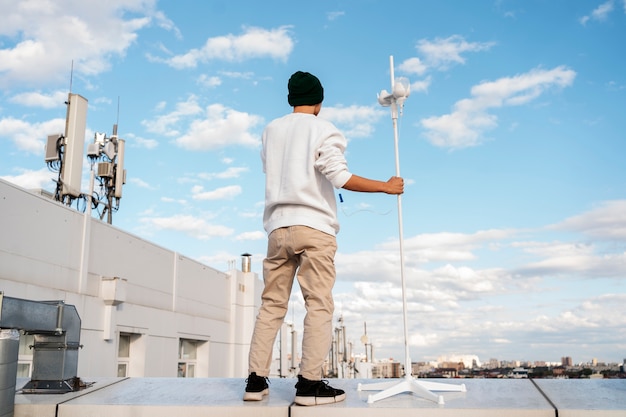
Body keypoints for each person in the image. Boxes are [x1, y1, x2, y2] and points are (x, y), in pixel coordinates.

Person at [244, 71, 404, 406]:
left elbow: (272, 171)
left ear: (290, 99)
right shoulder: (324, 128)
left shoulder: (271, 131)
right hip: (314, 227)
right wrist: (386, 187)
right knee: (318, 305)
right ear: (319, 101)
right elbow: (339, 176)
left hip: (277, 228)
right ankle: (309, 385)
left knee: (272, 305)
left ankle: (255, 382)